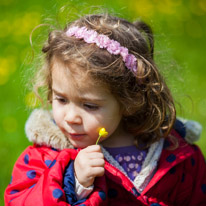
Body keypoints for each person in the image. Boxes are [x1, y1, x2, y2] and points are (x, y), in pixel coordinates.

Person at [4, 13, 206, 206]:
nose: (71, 117)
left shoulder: (175, 154)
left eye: (89, 105)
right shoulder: (46, 157)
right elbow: (20, 200)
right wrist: (73, 183)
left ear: (129, 100)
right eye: (61, 99)